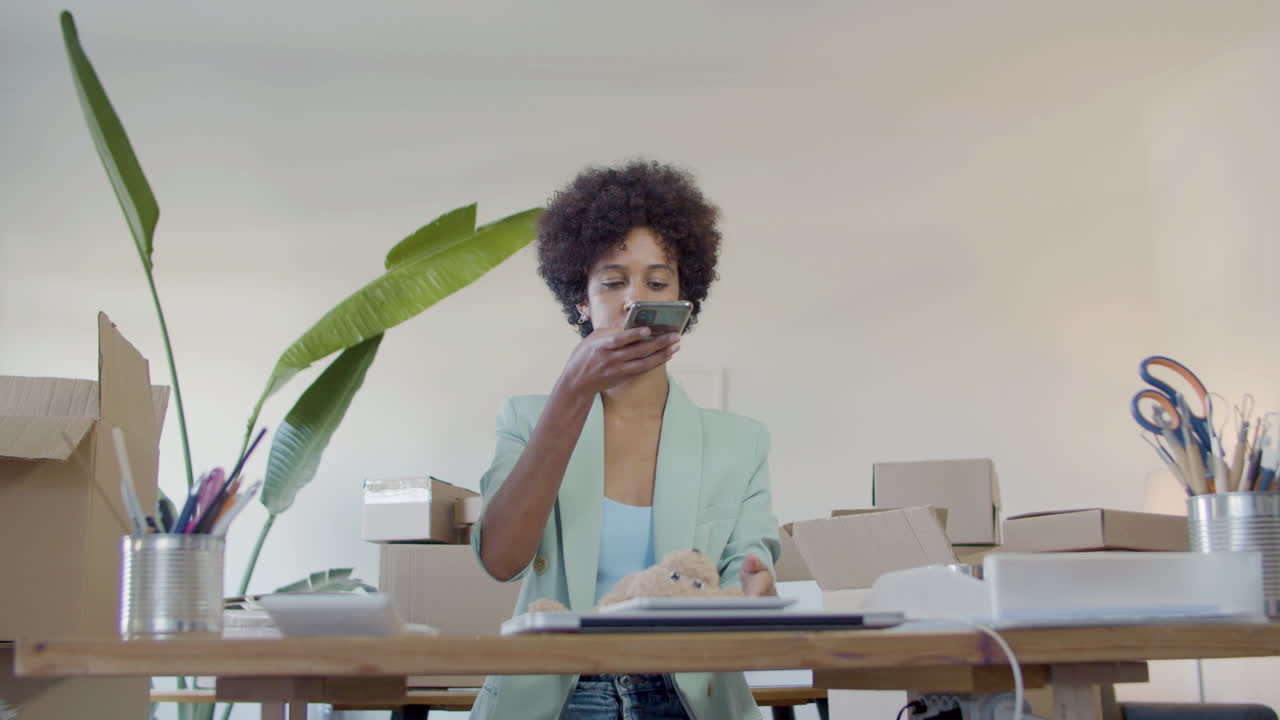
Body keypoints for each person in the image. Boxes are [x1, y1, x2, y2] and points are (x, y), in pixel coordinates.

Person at [469, 160, 781, 720]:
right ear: (581, 303)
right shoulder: (526, 418)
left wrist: (751, 585)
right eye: (612, 282)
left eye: (657, 283)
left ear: (687, 303)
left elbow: (743, 568)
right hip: (559, 694)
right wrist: (571, 392)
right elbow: (500, 559)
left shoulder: (741, 442)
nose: (634, 299)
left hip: (690, 699)